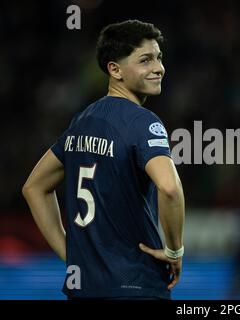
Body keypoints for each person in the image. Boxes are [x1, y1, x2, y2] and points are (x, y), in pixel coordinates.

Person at [21, 20, 185, 300]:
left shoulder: (82, 121)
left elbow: (33, 187)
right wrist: (174, 250)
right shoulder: (143, 123)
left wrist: (70, 255)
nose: (158, 68)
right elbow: (169, 188)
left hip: (84, 288)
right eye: (145, 60)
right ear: (114, 69)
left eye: (159, 58)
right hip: (136, 286)